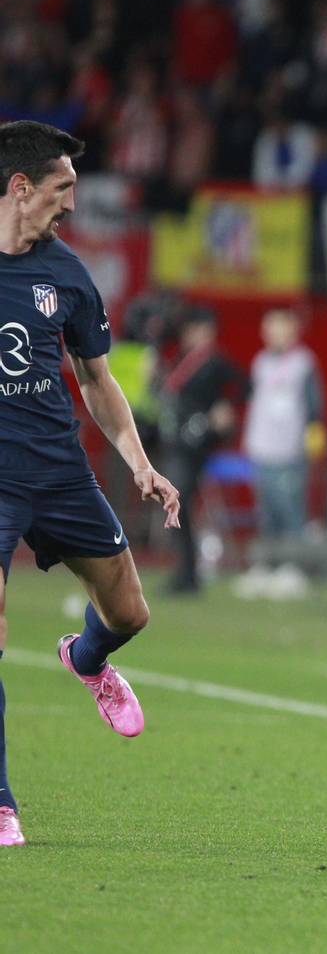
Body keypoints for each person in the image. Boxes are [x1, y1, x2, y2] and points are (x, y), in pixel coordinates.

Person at [0, 121, 182, 847]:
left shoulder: (66, 274)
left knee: (131, 613)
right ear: (20, 189)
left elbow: (98, 381)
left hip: (58, 469)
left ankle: (85, 659)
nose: (71, 203)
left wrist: (139, 464)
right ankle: (2, 802)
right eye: (62, 188)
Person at [159, 307, 247, 594]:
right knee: (176, 503)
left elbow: (245, 386)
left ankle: (188, 574)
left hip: (197, 442)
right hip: (176, 439)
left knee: (178, 500)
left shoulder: (215, 361)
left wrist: (225, 407)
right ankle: (185, 572)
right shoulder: (181, 359)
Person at [242, 309, 323, 543]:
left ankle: (294, 562)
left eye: (277, 328)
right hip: (261, 446)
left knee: (291, 507)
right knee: (266, 510)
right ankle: (269, 562)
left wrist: (313, 440)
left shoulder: (303, 362)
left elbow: (314, 405)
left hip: (290, 448)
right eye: (268, 328)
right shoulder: (261, 361)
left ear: (292, 331)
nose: (271, 333)